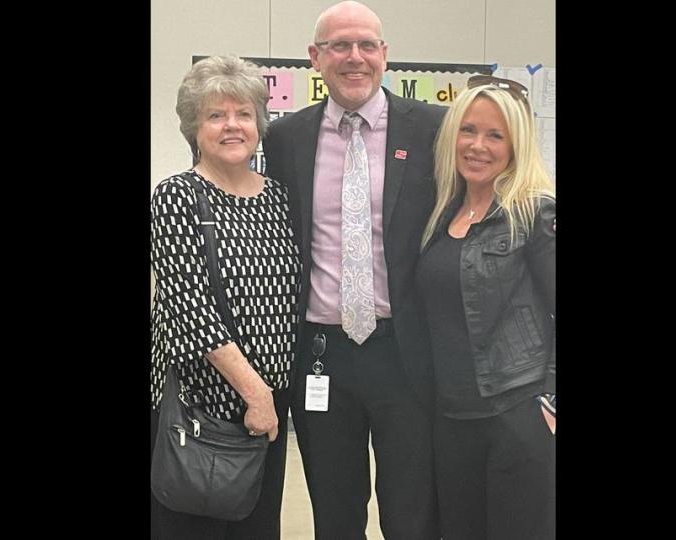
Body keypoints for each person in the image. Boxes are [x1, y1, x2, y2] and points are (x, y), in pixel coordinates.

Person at [262, 2, 445, 538]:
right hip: (322, 357)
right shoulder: (284, 137)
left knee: (412, 513)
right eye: (340, 46)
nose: (355, 57)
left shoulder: (433, 128)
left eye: (367, 45)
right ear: (315, 57)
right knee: (335, 512)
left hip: (408, 355)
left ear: (385, 55)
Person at [149, 55, 301, 539]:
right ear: (194, 128)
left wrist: (268, 399)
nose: (232, 125)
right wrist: (254, 392)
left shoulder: (280, 198)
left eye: (243, 113)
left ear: (260, 123)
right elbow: (189, 306)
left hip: (266, 415)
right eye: (215, 115)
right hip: (197, 411)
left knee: (256, 529)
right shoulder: (175, 197)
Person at [415, 78, 556, 540]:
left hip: (516, 417)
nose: (478, 146)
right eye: (468, 130)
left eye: (495, 136)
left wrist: (552, 401)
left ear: (515, 146)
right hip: (451, 423)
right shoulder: (441, 214)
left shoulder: (535, 214)